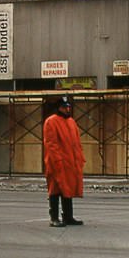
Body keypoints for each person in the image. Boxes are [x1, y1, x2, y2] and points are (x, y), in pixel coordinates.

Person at [43, 96, 85, 227]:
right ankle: (54, 217)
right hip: (57, 162)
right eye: (65, 107)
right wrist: (57, 162)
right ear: (59, 108)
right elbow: (51, 144)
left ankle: (68, 216)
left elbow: (76, 143)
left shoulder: (71, 122)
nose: (67, 109)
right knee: (55, 189)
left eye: (68, 107)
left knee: (68, 188)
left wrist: (78, 159)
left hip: (70, 162)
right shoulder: (51, 122)